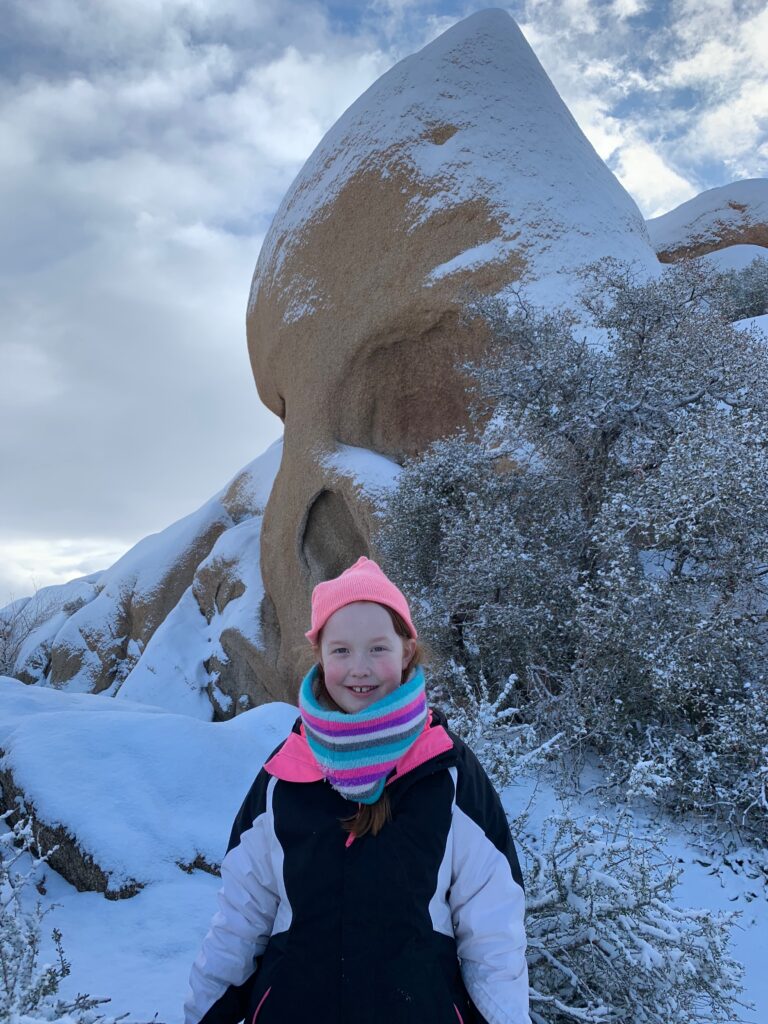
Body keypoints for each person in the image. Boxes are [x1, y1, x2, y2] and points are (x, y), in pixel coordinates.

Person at [184, 556, 530, 1024]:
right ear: (320, 656)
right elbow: (239, 924)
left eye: (377, 649)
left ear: (407, 651)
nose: (359, 669)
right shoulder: (283, 776)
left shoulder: (447, 775)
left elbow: (494, 934)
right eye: (341, 650)